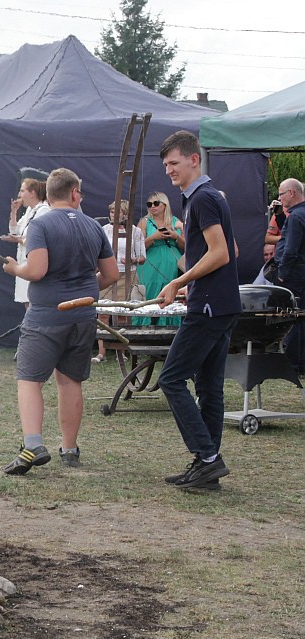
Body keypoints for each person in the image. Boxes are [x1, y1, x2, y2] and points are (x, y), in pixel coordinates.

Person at [1, 168, 117, 474]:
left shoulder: (41, 225)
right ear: (75, 193)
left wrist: (15, 269)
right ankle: (69, 449)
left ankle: (33, 445)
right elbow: (111, 275)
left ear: (48, 194)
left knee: (29, 380)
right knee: (69, 381)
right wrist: (84, 291)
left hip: (46, 315)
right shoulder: (94, 226)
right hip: (82, 316)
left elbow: (37, 270)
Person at [155, 130, 242, 491]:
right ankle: (206, 469)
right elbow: (231, 252)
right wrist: (195, 283)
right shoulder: (208, 197)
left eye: (174, 163)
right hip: (219, 303)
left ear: (194, 159)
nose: (169, 171)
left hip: (208, 308)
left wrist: (179, 282)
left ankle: (207, 458)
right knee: (209, 388)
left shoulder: (202, 199)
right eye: (165, 165)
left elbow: (221, 253)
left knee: (171, 379)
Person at [93, 200, 147, 362]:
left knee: (122, 315)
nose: (114, 215)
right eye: (111, 212)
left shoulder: (136, 232)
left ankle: (121, 351)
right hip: (107, 274)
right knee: (102, 314)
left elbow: (143, 257)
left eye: (118, 212)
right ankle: (101, 352)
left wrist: (133, 259)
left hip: (127, 275)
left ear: (126, 214)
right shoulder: (104, 230)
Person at [136, 191, 185, 327]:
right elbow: (137, 247)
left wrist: (176, 236)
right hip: (150, 265)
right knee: (150, 294)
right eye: (149, 204)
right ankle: (144, 328)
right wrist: (154, 237)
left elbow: (187, 246)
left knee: (170, 295)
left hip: (172, 265)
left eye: (156, 203)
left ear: (165, 205)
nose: (153, 206)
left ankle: (171, 328)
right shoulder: (144, 222)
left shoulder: (176, 222)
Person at [0, 178, 50, 307]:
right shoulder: (29, 211)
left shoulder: (44, 210)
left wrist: (19, 240)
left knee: (32, 302)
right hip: (23, 261)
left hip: (33, 263)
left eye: (22, 191)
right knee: (26, 302)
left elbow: (40, 238)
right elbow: (14, 230)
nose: (19, 195)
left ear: (32, 193)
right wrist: (14, 212)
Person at [272, 178, 305, 373]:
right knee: (301, 317)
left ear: (291, 193)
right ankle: (300, 363)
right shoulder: (298, 215)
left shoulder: (296, 216)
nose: (279, 198)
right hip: (301, 272)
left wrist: (282, 275)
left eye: (281, 194)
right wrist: (280, 217)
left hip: (293, 274)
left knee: (292, 317)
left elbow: (291, 248)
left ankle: (291, 364)